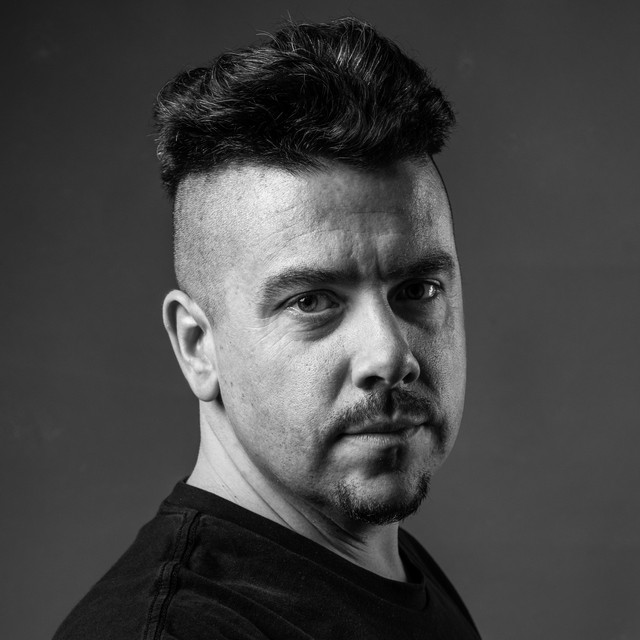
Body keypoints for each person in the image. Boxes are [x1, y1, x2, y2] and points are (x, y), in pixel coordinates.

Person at [54, 17, 480, 640]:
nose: (389, 355)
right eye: (311, 301)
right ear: (198, 347)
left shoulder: (384, 562)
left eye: (417, 290)